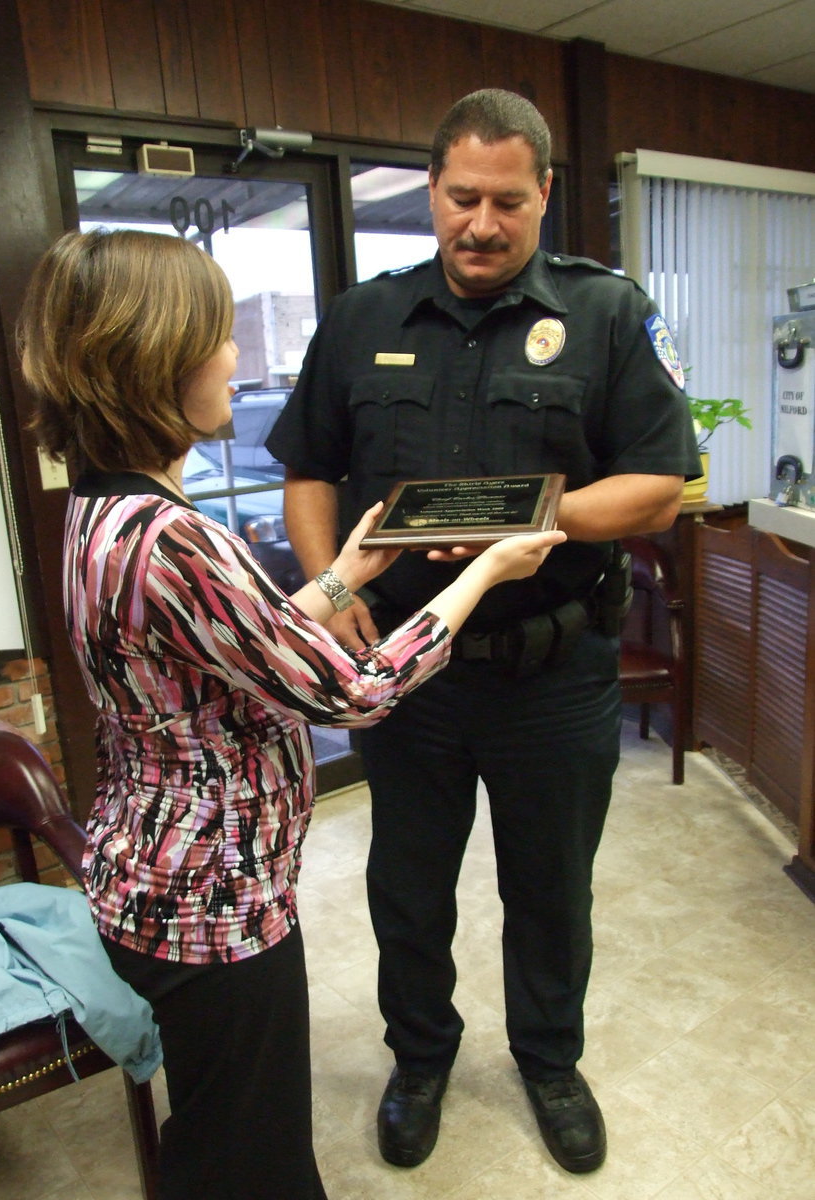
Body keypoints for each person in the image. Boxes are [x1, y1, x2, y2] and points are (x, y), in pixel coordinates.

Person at [16, 227, 565, 1200]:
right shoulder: (177, 537)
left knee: (220, 1132)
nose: (237, 359)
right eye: (220, 337)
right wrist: (484, 567)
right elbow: (352, 690)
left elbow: (225, 653)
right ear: (159, 363)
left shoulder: (101, 514)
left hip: (152, 880)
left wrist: (343, 574)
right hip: (210, 911)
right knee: (254, 1163)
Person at [266, 88, 701, 1176]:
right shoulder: (365, 317)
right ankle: (420, 1059)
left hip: (553, 666)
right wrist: (330, 580)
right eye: (463, 197)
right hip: (408, 675)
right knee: (407, 887)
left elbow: (658, 486)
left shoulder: (605, 314)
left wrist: (521, 524)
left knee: (550, 889)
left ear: (545, 195)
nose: (483, 223)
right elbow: (309, 466)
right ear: (433, 189)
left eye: (509, 201)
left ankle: (550, 1062)